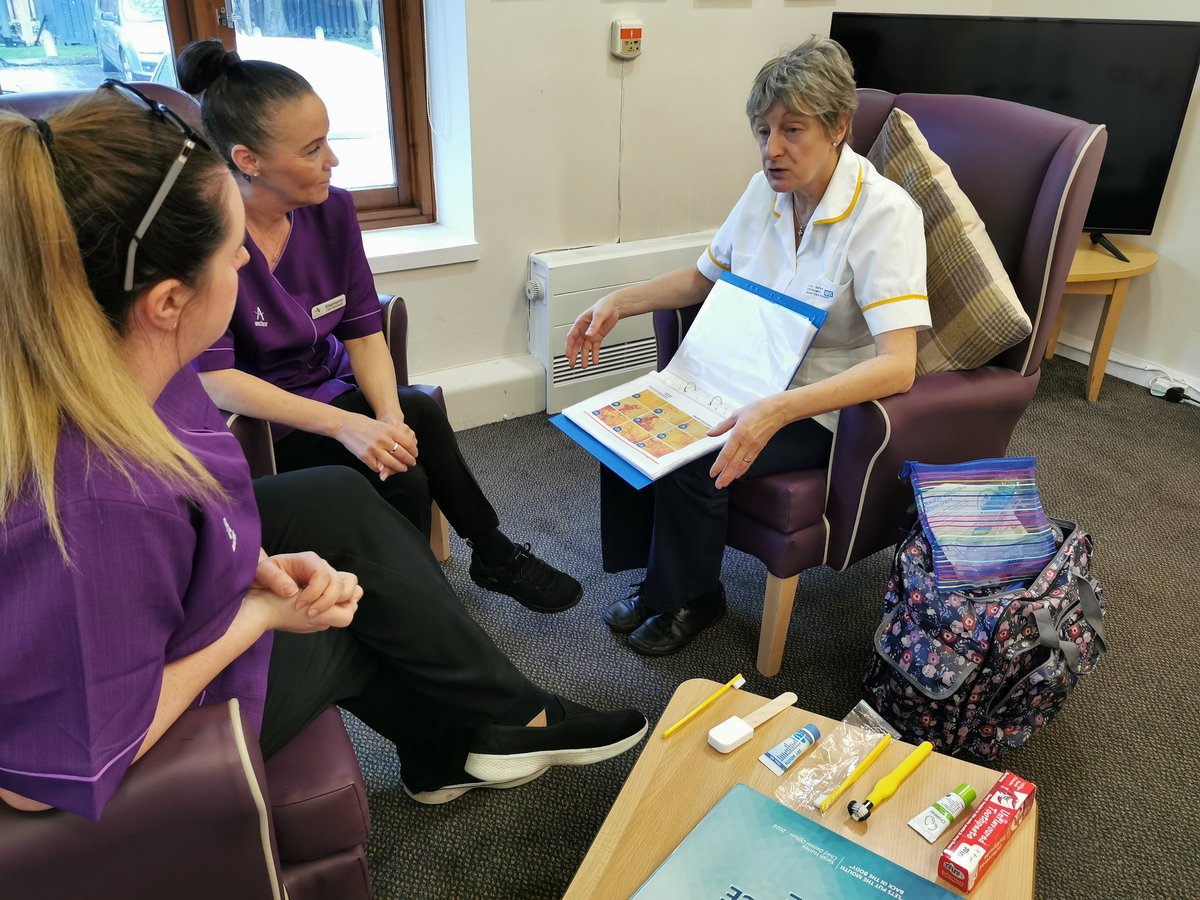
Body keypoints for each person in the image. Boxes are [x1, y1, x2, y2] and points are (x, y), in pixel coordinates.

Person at [0, 85, 646, 821]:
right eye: (226, 246)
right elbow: (43, 776)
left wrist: (248, 562)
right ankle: (488, 733)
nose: (245, 254)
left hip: (170, 575)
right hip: (122, 751)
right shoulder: (96, 500)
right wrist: (253, 614)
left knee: (335, 500)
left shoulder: (145, 370)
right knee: (349, 620)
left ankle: (495, 727)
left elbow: (205, 511)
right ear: (169, 301)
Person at [172, 40, 579, 615]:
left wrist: (383, 419)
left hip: (330, 388)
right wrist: (348, 428)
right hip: (264, 426)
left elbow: (364, 331)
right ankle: (426, 603)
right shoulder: (211, 240)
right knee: (405, 480)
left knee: (414, 414)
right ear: (248, 160)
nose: (332, 160)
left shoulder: (332, 210)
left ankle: (486, 556)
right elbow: (217, 380)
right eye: (313, 149)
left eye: (328, 141)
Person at [565, 37, 931, 656]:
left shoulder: (885, 216)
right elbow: (703, 279)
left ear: (840, 126)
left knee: (691, 457)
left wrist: (777, 410)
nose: (773, 149)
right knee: (625, 426)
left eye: (793, 130)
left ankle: (696, 597)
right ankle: (661, 583)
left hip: (818, 403)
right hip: (742, 373)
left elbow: (899, 366)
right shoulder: (764, 191)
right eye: (763, 131)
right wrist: (619, 301)